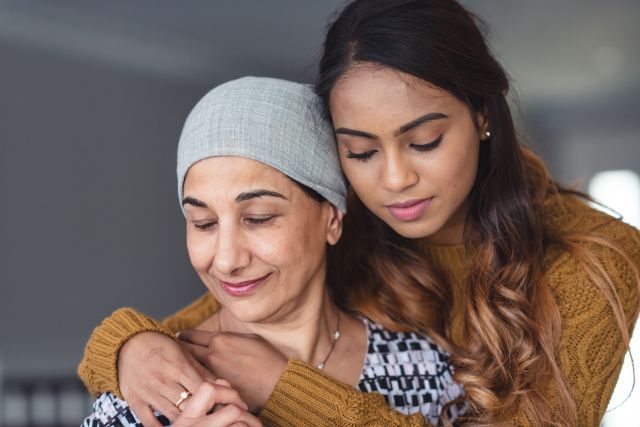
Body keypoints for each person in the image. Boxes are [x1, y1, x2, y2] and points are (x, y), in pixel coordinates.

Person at [78, 1, 640, 426]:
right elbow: (222, 307)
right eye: (361, 152)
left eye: (424, 141)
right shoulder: (355, 221)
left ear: (483, 114)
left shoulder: (593, 262)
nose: (393, 180)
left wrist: (284, 387)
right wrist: (128, 345)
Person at [80, 76, 466, 426]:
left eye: (259, 218)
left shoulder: (427, 368)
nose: (227, 260)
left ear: (331, 219)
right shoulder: (150, 393)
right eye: (203, 223)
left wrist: (286, 388)